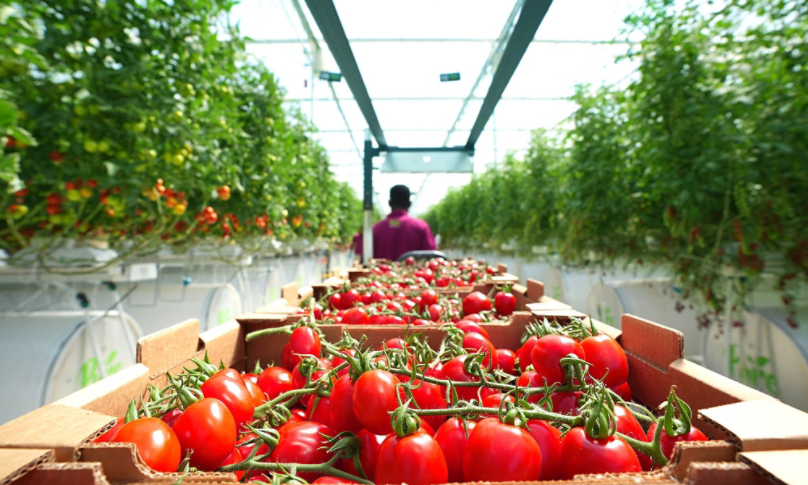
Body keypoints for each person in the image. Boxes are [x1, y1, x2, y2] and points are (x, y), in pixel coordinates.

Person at [354, 185, 436, 261]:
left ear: (389, 203)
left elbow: (364, 258)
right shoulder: (421, 227)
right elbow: (431, 257)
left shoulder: (376, 229)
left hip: (382, 276)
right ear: (409, 204)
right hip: (415, 276)